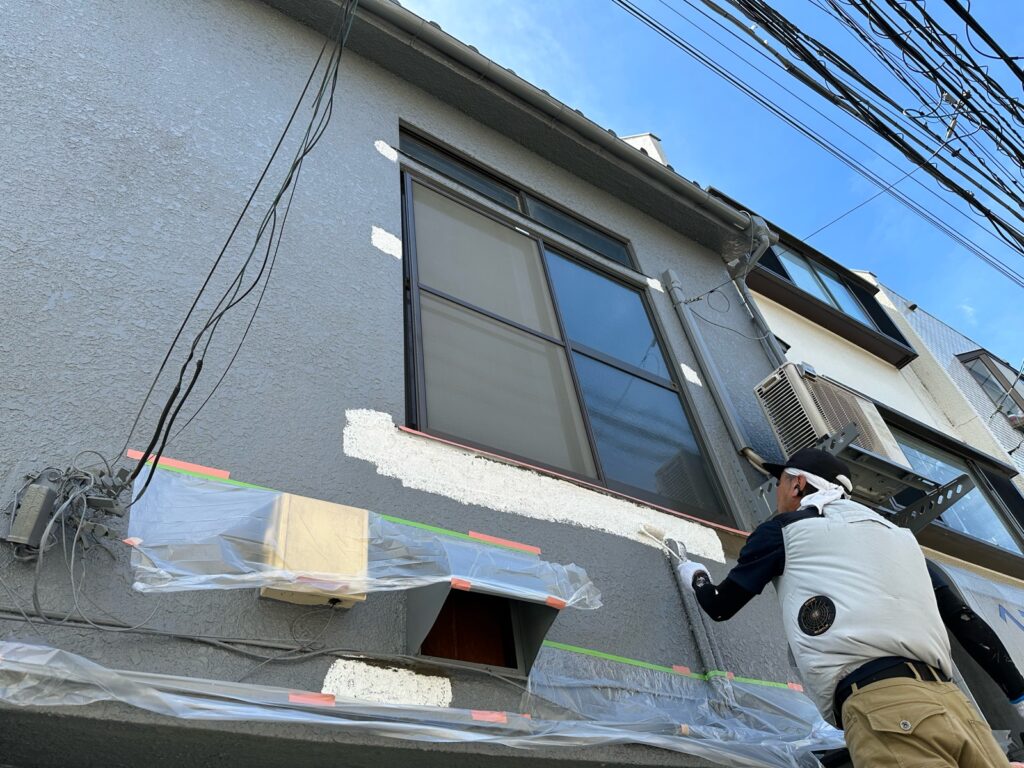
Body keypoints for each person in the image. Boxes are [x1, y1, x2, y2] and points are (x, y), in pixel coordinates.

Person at [678, 447, 1024, 767]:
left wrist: (695, 575)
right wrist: (1018, 695)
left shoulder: (784, 529)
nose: (777, 493)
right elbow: (967, 622)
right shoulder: (902, 539)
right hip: (957, 707)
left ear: (798, 484)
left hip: (885, 705)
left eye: (779, 483)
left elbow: (720, 606)